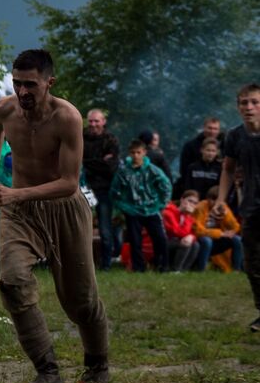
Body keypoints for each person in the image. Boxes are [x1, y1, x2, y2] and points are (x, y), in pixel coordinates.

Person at [0, 49, 111, 383]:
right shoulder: (5, 109)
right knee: (12, 280)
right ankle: (47, 369)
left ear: (49, 83)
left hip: (64, 208)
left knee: (80, 299)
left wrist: (12, 194)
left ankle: (97, 366)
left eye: (31, 85)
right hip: (20, 212)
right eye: (17, 83)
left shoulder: (67, 117)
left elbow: (69, 181)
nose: (22, 91)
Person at [217, 82, 260, 332]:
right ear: (238, 107)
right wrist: (221, 200)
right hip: (251, 207)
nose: (249, 107)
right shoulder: (234, 136)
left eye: (255, 102)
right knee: (253, 264)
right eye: (244, 103)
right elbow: (228, 169)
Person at [110, 139, 172, 272]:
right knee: (135, 241)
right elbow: (114, 192)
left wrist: (161, 204)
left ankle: (162, 266)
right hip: (132, 210)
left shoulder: (153, 170)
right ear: (129, 153)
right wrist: (123, 207)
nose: (136, 155)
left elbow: (166, 186)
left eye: (139, 152)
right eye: (133, 152)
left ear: (144, 152)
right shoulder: (124, 171)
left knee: (160, 238)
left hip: (152, 209)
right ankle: (138, 267)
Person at [82, 108, 121, 268]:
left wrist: (88, 162)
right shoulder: (81, 136)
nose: (93, 124)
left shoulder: (111, 140)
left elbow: (111, 167)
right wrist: (100, 162)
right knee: (81, 228)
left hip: (104, 190)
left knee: (105, 229)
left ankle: (106, 264)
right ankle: (83, 264)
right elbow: (76, 161)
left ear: (103, 122)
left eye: (96, 121)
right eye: (91, 121)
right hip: (84, 188)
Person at [195, 186, 244, 273]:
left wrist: (226, 216)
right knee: (207, 241)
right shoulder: (201, 207)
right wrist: (220, 233)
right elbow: (198, 230)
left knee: (237, 240)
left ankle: (237, 269)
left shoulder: (224, 207)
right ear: (207, 199)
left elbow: (236, 227)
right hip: (202, 239)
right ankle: (201, 269)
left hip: (217, 240)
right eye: (212, 199)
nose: (214, 203)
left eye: (217, 200)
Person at [162, 191, 212, 272]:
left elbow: (193, 233)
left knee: (195, 244)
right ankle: (176, 270)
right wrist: (187, 217)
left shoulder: (189, 217)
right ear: (182, 199)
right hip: (165, 241)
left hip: (176, 241)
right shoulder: (169, 212)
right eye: (189, 201)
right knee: (185, 243)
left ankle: (183, 270)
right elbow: (176, 231)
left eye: (195, 203)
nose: (191, 204)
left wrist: (191, 236)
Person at [177, 117, 223, 189]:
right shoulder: (190, 146)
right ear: (204, 128)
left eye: (215, 129)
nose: (212, 131)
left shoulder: (225, 146)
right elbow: (184, 170)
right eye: (210, 128)